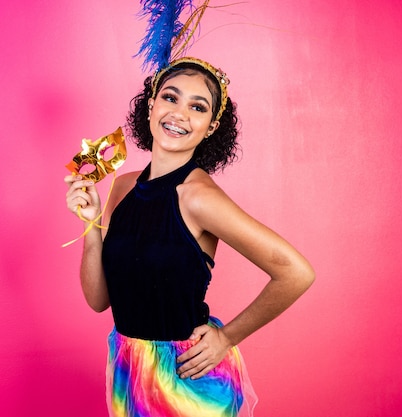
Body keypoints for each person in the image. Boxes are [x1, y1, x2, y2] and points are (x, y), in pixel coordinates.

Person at [65, 57, 315, 417]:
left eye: (197, 107)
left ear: (211, 126)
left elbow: (297, 272)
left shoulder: (199, 197)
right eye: (171, 98)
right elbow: (99, 300)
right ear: (151, 106)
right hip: (128, 369)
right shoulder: (121, 186)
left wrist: (227, 337)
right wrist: (91, 227)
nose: (180, 114)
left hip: (186, 382)